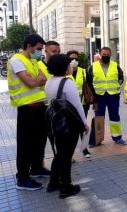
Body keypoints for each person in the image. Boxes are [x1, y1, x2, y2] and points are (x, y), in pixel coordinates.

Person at [7, 34, 49, 190]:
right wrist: (36, 79)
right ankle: (22, 178)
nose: (40, 52)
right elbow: (31, 82)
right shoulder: (17, 60)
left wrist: (36, 78)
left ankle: (37, 168)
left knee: (39, 141)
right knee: (26, 144)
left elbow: (43, 78)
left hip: (39, 106)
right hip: (27, 108)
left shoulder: (32, 60)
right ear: (29, 46)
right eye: (38, 49)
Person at [45, 54, 89, 198]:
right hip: (67, 125)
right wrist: (84, 123)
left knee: (59, 153)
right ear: (64, 67)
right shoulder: (67, 83)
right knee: (66, 155)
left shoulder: (49, 81)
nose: (72, 65)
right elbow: (77, 105)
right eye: (69, 64)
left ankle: (53, 183)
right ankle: (66, 186)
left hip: (53, 123)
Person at [87, 47, 126, 144]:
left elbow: (121, 78)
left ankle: (117, 138)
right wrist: (92, 97)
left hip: (113, 96)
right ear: (100, 54)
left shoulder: (115, 65)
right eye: (104, 54)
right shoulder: (93, 67)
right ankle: (96, 140)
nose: (106, 56)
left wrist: (116, 86)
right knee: (99, 118)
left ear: (110, 55)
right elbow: (89, 82)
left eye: (108, 54)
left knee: (115, 117)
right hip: (98, 97)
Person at [66, 50, 92, 158]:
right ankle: (69, 152)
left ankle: (85, 148)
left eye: (76, 59)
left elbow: (90, 86)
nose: (74, 61)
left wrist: (93, 101)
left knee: (83, 126)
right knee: (70, 129)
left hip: (82, 104)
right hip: (68, 106)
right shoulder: (64, 72)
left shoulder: (83, 71)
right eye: (71, 59)